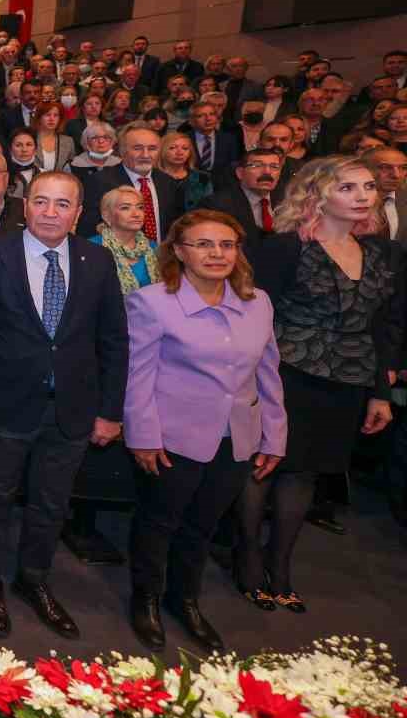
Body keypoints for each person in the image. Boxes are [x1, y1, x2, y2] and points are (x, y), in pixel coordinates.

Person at [0, 171, 129, 639]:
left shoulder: (97, 261)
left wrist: (111, 410)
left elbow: (114, 341)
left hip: (73, 407)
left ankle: (33, 579)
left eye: (62, 204)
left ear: (79, 213)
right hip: (7, 404)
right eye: (41, 202)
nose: (50, 213)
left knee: (51, 503)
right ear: (25, 206)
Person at [237, 156, 398, 612]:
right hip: (284, 374)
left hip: (346, 380)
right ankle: (247, 558)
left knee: (306, 472)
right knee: (263, 465)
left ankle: (280, 566)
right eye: (348, 187)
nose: (363, 196)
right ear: (317, 194)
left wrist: (380, 394)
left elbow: (378, 327)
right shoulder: (285, 248)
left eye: (368, 187)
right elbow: (252, 314)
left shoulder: (378, 252)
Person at [123, 209, 286, 652]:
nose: (217, 253)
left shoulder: (258, 302)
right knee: (158, 522)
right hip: (171, 437)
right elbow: (138, 374)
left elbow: (268, 373)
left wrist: (274, 436)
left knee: (202, 525)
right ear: (179, 251)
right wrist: (143, 435)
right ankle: (146, 598)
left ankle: (185, 599)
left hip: (237, 436)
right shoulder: (152, 302)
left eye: (227, 244)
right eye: (204, 244)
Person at [203, 147, 283, 252]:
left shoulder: (287, 200)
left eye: (274, 167)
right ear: (240, 173)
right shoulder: (217, 205)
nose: (267, 172)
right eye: (257, 165)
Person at [90, 185, 158, 293]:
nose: (136, 214)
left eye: (140, 207)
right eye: (125, 208)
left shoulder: (153, 247)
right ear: (107, 216)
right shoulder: (92, 248)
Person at [158, 130, 215, 211]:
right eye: (172, 148)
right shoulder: (152, 177)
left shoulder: (202, 178)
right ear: (162, 151)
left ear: (190, 153)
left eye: (185, 148)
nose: (179, 152)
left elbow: (208, 208)